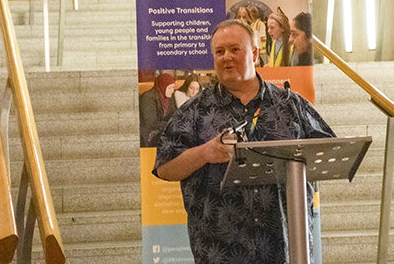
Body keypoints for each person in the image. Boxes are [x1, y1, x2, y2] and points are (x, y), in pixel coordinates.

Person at [152, 19, 336, 263]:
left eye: (234, 49)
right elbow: (164, 167)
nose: (226, 57)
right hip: (220, 251)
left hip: (286, 250)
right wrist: (205, 153)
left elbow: (329, 154)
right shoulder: (194, 111)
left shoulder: (291, 104)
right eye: (219, 52)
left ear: (255, 54)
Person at [139, 73, 177, 147]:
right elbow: (151, 122)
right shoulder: (148, 97)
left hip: (161, 131)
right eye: (170, 88)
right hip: (149, 134)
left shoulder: (168, 98)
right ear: (162, 87)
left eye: (173, 87)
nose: (172, 91)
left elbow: (174, 114)